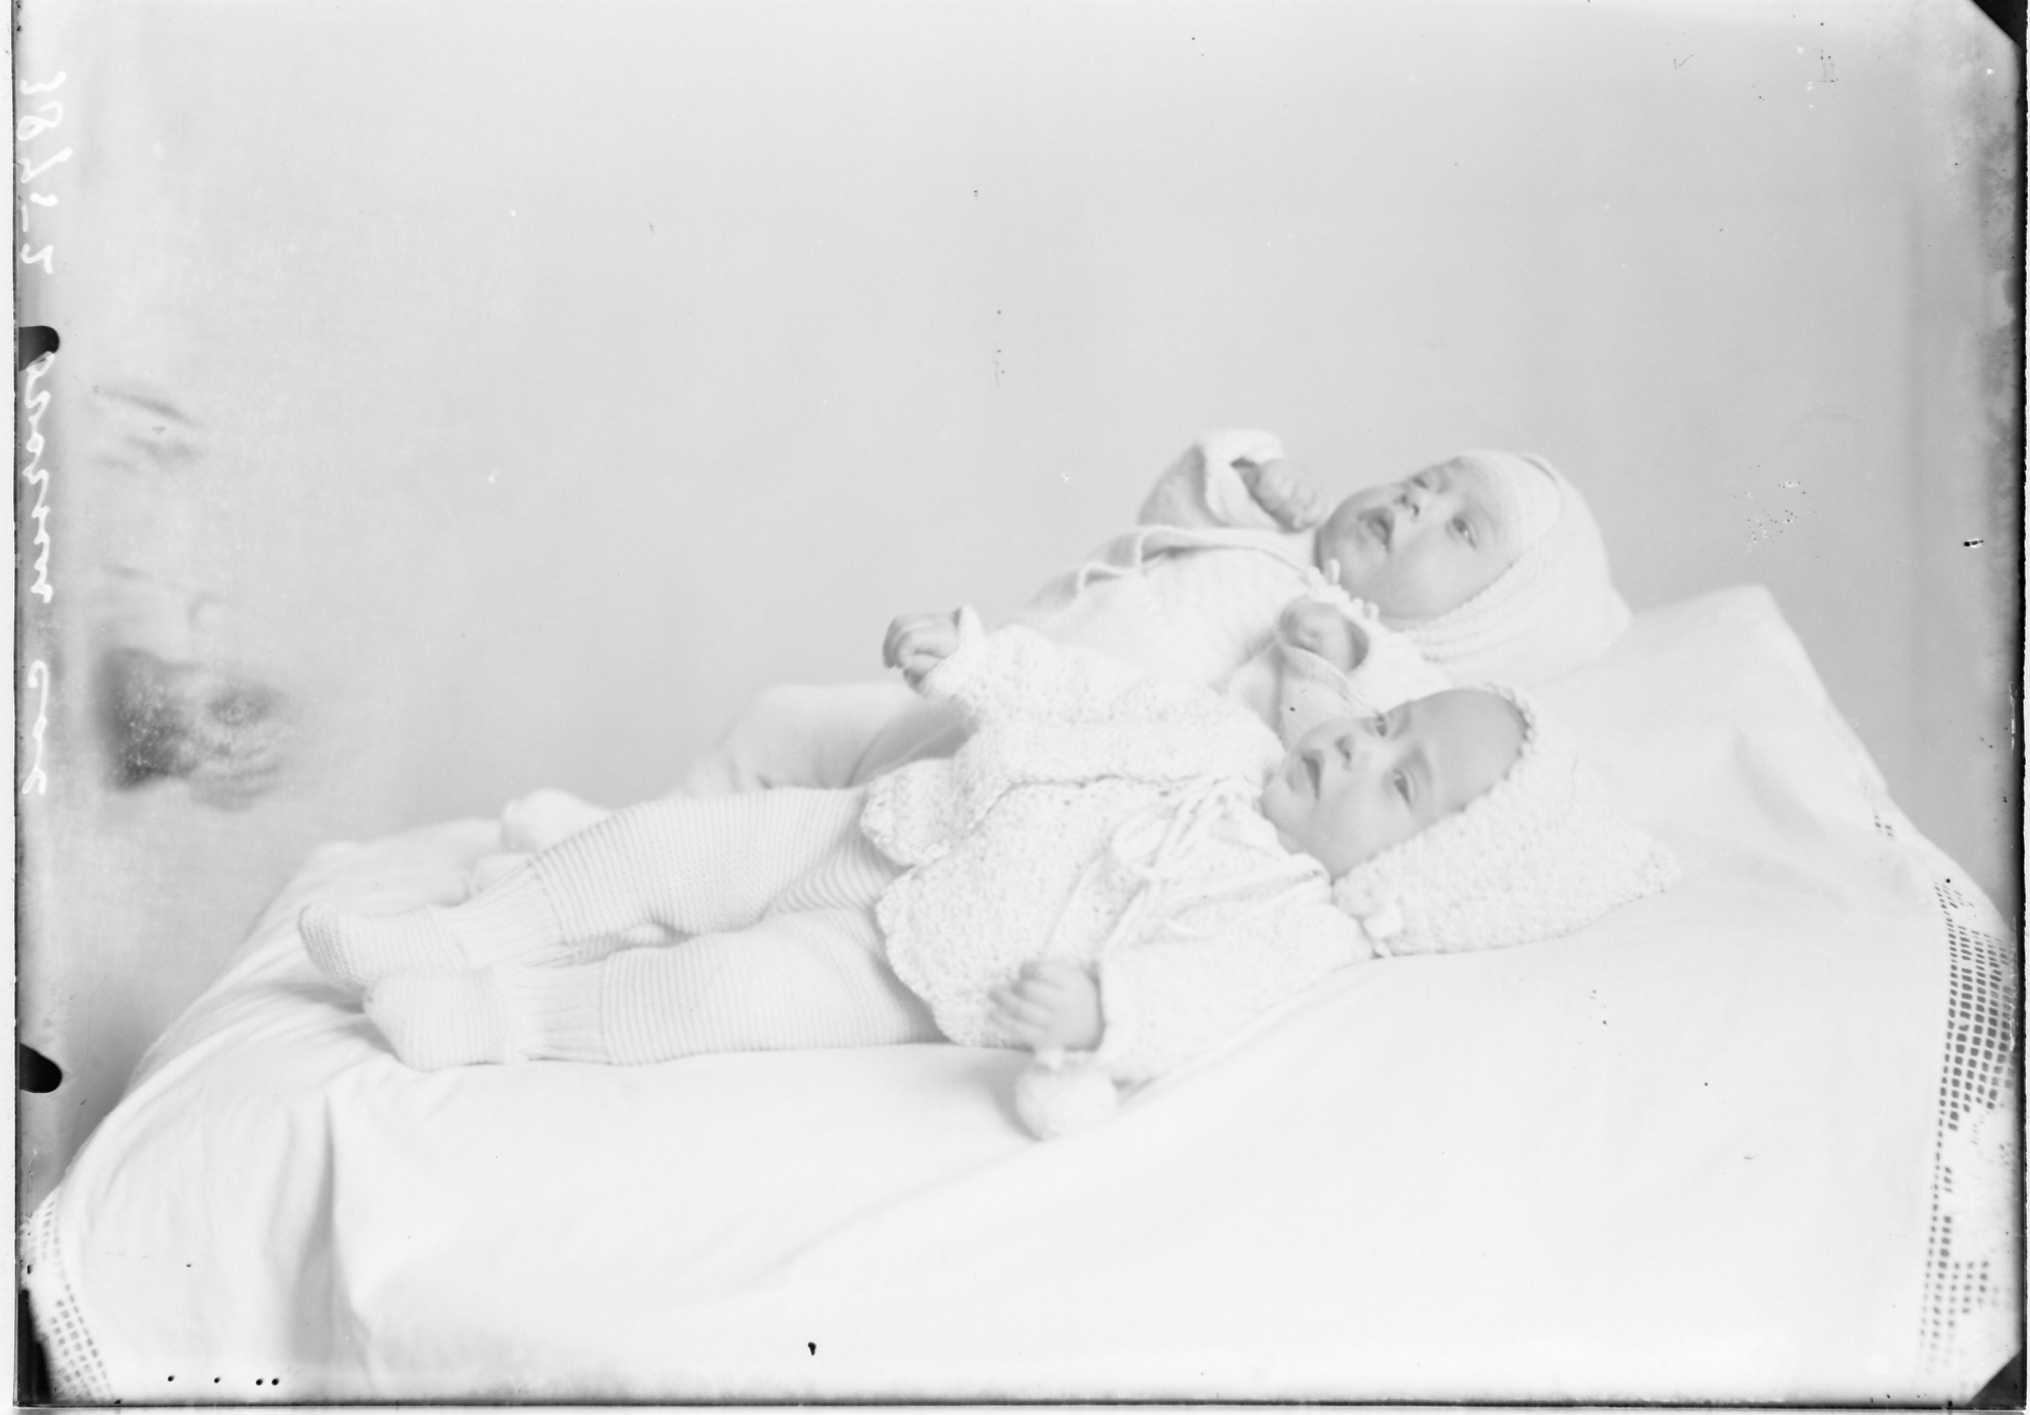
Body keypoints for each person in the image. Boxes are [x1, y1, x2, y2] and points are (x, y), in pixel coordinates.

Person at [299, 606, 1676, 1137]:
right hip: (885, 820)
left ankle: (495, 1020)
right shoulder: (1228, 734)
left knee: (710, 991)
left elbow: (1204, 996)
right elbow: (1083, 688)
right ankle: (457, 936)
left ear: (1408, 880)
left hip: (903, 970)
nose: (1361, 746)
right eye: (1387, 723)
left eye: (1401, 782)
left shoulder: (1292, 920)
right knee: (658, 848)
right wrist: (974, 661)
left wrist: (1105, 1013)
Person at [676, 431, 1628, 797]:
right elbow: (1168, 508)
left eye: (1461, 529)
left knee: (827, 839)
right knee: (777, 723)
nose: (1420, 499)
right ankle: (621, 837)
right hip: (969, 682)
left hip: (1034, 764)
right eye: (1429, 478)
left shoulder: (1377, 678)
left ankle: (661, 893)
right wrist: (1248, 475)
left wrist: (1344, 657)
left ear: (1486, 622)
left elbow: (1321, 746)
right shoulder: (1281, 541)